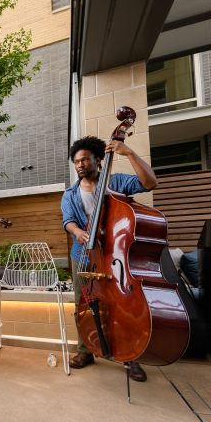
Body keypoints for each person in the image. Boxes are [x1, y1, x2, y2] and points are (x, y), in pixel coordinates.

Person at [61, 136, 158, 382]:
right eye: (76, 161)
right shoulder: (70, 193)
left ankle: (128, 355)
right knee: (83, 304)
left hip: (115, 255)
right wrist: (78, 232)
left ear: (98, 159)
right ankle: (85, 350)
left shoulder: (115, 183)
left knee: (119, 304)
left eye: (84, 159)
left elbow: (150, 182)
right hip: (83, 255)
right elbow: (68, 221)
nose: (80, 165)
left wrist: (129, 153)